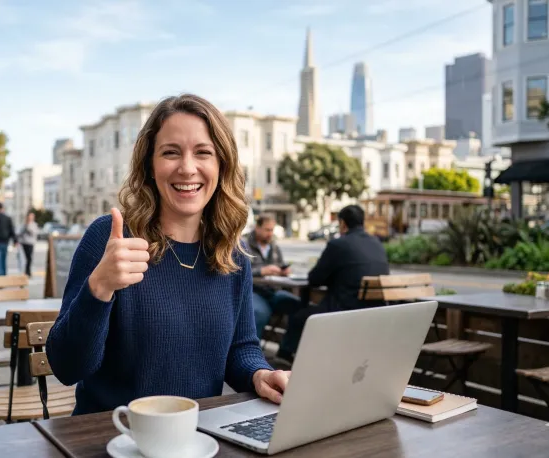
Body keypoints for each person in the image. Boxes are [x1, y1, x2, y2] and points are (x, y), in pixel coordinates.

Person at [45, 94, 290, 416]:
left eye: (203, 153)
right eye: (170, 153)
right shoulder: (109, 238)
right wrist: (99, 289)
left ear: (222, 165)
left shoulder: (232, 254)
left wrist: (260, 374)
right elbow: (67, 367)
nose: (187, 168)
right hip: (112, 437)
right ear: (149, 165)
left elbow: (240, 348)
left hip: (195, 436)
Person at [278, 205, 390, 362]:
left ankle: (285, 357)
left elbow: (314, 279)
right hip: (375, 311)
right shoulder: (377, 244)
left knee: (299, 317)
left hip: (343, 311)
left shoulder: (338, 244)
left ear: (343, 224)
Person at [247, 214, 304, 347]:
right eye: (267, 230)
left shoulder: (274, 247)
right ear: (257, 228)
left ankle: (285, 352)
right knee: (259, 312)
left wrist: (284, 271)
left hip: (274, 291)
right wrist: (261, 271)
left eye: (272, 230)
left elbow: (281, 264)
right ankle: (252, 355)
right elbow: (236, 271)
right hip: (255, 292)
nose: (270, 234)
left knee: (299, 308)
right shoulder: (244, 245)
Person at [18, 211, 39, 277]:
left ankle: (28, 271)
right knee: (25, 258)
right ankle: (26, 271)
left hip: (31, 243)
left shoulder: (34, 224)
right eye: (30, 216)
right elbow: (20, 233)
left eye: (32, 216)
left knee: (29, 258)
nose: (31, 217)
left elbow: (34, 233)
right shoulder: (24, 224)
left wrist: (28, 227)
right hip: (24, 243)